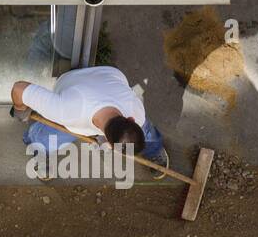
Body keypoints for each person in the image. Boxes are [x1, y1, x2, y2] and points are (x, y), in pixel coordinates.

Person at [11, 65, 168, 170]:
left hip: (108, 75)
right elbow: (18, 89)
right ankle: (39, 148)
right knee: (46, 137)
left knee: (144, 129)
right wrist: (20, 109)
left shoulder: (136, 113)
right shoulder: (66, 111)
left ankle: (153, 149)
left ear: (131, 120)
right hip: (70, 82)